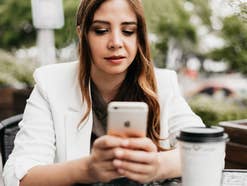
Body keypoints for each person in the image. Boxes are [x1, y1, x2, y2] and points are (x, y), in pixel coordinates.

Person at [3, 0, 204, 185]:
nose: (116, 42)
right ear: (82, 35)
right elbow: (17, 176)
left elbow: (204, 149)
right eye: (101, 30)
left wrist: (156, 166)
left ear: (139, 37)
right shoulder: (51, 84)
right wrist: (88, 169)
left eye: (128, 31)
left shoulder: (162, 83)